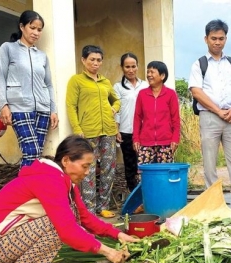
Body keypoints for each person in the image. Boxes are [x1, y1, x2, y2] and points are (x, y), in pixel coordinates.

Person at [0, 135, 138, 263]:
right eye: (85, 166)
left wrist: (118, 234)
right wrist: (107, 251)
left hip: (8, 242)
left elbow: (85, 217)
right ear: (66, 160)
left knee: (70, 216)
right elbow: (67, 229)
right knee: (58, 225)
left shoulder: (64, 181)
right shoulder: (49, 180)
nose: (88, 172)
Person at [188, 19, 231, 211]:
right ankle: (213, 202)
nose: (217, 42)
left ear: (226, 39)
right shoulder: (199, 64)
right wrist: (218, 111)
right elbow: (196, 91)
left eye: (221, 38)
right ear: (206, 39)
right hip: (209, 117)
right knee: (209, 162)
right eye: (213, 38)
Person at [0, 10, 59, 167]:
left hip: (43, 109)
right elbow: (1, 78)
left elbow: (49, 84)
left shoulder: (42, 56)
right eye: (32, 28)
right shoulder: (8, 48)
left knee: (36, 154)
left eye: (39, 29)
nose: (36, 33)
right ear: (22, 27)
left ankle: (30, 189)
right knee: (31, 151)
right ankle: (23, 190)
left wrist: (53, 110)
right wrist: (3, 105)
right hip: (19, 108)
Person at [66, 45, 120, 214]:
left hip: (108, 131)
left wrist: (114, 108)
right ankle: (88, 209)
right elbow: (71, 105)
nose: (95, 63)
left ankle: (103, 206)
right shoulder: (76, 81)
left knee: (108, 169)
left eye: (98, 60)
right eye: (92, 60)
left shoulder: (105, 82)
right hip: (88, 131)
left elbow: (116, 100)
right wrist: (77, 128)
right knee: (87, 171)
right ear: (83, 60)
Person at [133, 61, 180, 164]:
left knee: (164, 175)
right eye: (148, 72)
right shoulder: (142, 94)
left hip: (166, 143)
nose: (149, 75)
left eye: (152, 72)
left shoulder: (171, 94)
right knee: (145, 175)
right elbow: (137, 118)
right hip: (145, 142)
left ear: (162, 76)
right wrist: (136, 138)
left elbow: (175, 119)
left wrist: (175, 139)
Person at [114, 53, 148, 192]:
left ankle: (146, 193)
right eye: (127, 67)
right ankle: (133, 195)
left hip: (144, 131)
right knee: (130, 165)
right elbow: (117, 110)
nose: (131, 70)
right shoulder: (118, 87)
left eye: (133, 66)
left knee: (143, 164)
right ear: (122, 68)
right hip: (126, 131)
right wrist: (117, 130)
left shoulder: (145, 85)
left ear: (138, 66)